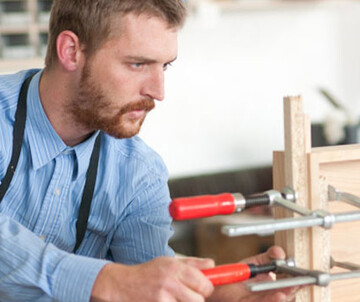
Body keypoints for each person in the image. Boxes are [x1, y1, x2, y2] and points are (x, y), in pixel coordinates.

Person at [0, 0, 298, 301]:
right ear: (70, 51)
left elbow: (146, 285)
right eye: (138, 64)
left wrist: (213, 295)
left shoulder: (140, 173)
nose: (158, 91)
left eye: (165, 65)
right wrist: (105, 280)